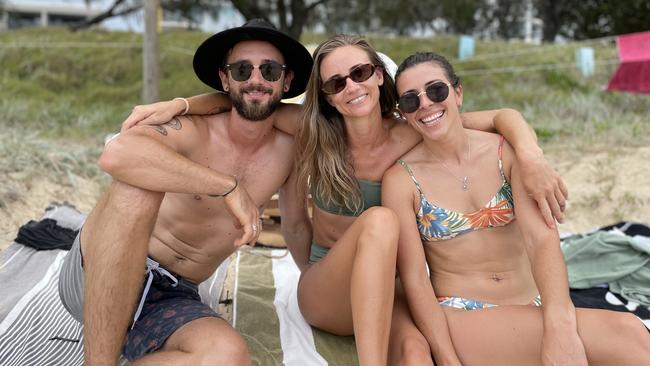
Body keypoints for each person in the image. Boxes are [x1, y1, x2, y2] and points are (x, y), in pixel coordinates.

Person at [125, 35, 569, 365]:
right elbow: (242, 102)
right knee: (379, 221)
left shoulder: (412, 128)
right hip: (327, 290)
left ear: (378, 75)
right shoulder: (316, 133)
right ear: (326, 95)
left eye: (360, 73)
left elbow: (499, 117)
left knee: (417, 352)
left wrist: (531, 156)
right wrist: (180, 104)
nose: (351, 87)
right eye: (337, 82)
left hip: (392, 288)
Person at [57, 19, 313, 365]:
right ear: (225, 79)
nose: (255, 79)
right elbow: (118, 153)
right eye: (241, 70)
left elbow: (295, 225)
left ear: (287, 80)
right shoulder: (195, 130)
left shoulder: (291, 150)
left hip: (171, 296)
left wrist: (311, 287)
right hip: (97, 273)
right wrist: (227, 187)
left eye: (269, 70)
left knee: (227, 355)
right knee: (141, 183)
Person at [382, 51, 650, 366]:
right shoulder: (401, 180)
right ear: (404, 112)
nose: (426, 103)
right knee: (627, 333)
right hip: (462, 314)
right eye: (411, 101)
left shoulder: (505, 151)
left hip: (531, 306)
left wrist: (559, 324)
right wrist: (446, 356)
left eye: (436, 90)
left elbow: (542, 241)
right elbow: (415, 279)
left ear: (458, 93)